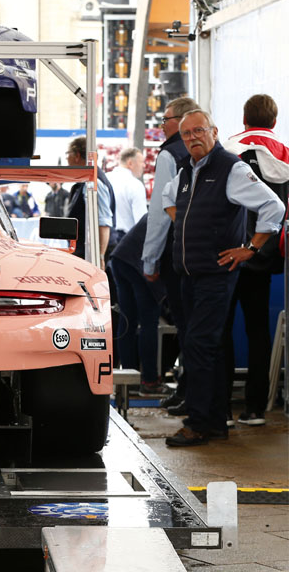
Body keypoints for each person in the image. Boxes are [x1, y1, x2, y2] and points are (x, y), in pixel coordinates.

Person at [156, 109, 284, 446]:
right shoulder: (186, 170)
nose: (193, 138)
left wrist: (251, 249)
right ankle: (214, 422)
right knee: (205, 347)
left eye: (199, 131)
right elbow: (168, 198)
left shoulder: (232, 167)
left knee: (199, 345)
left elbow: (274, 207)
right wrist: (184, 218)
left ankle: (199, 423)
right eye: (186, 134)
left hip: (216, 274)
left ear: (214, 131)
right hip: (189, 274)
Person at [220, 94, 289, 426]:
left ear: (245, 119)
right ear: (274, 121)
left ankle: (221, 408)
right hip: (267, 256)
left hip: (230, 252)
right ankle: (255, 408)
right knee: (258, 330)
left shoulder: (232, 151)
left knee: (221, 329)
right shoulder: (286, 156)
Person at [142, 97, 200, 413]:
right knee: (199, 325)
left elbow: (160, 213)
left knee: (186, 324)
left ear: (180, 120)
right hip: (207, 253)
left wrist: (150, 258)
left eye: (164, 119)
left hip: (178, 252)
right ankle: (195, 393)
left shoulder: (169, 154)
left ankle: (190, 394)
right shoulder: (216, 154)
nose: (161, 125)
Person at [108, 216, 164, 394]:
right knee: (148, 322)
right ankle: (149, 381)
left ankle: (128, 381)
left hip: (121, 258)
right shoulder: (179, 208)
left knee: (128, 321)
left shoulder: (163, 204)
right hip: (139, 264)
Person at [64, 136, 116, 268]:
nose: (66, 159)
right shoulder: (84, 182)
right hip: (85, 252)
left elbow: (103, 222)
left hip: (90, 255)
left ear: (77, 155)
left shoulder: (93, 182)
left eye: (67, 154)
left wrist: (99, 257)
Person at [107, 147, 147, 236]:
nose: (144, 165)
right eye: (142, 162)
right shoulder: (135, 185)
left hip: (105, 235)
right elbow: (141, 221)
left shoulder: (106, 179)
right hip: (125, 239)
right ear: (130, 163)